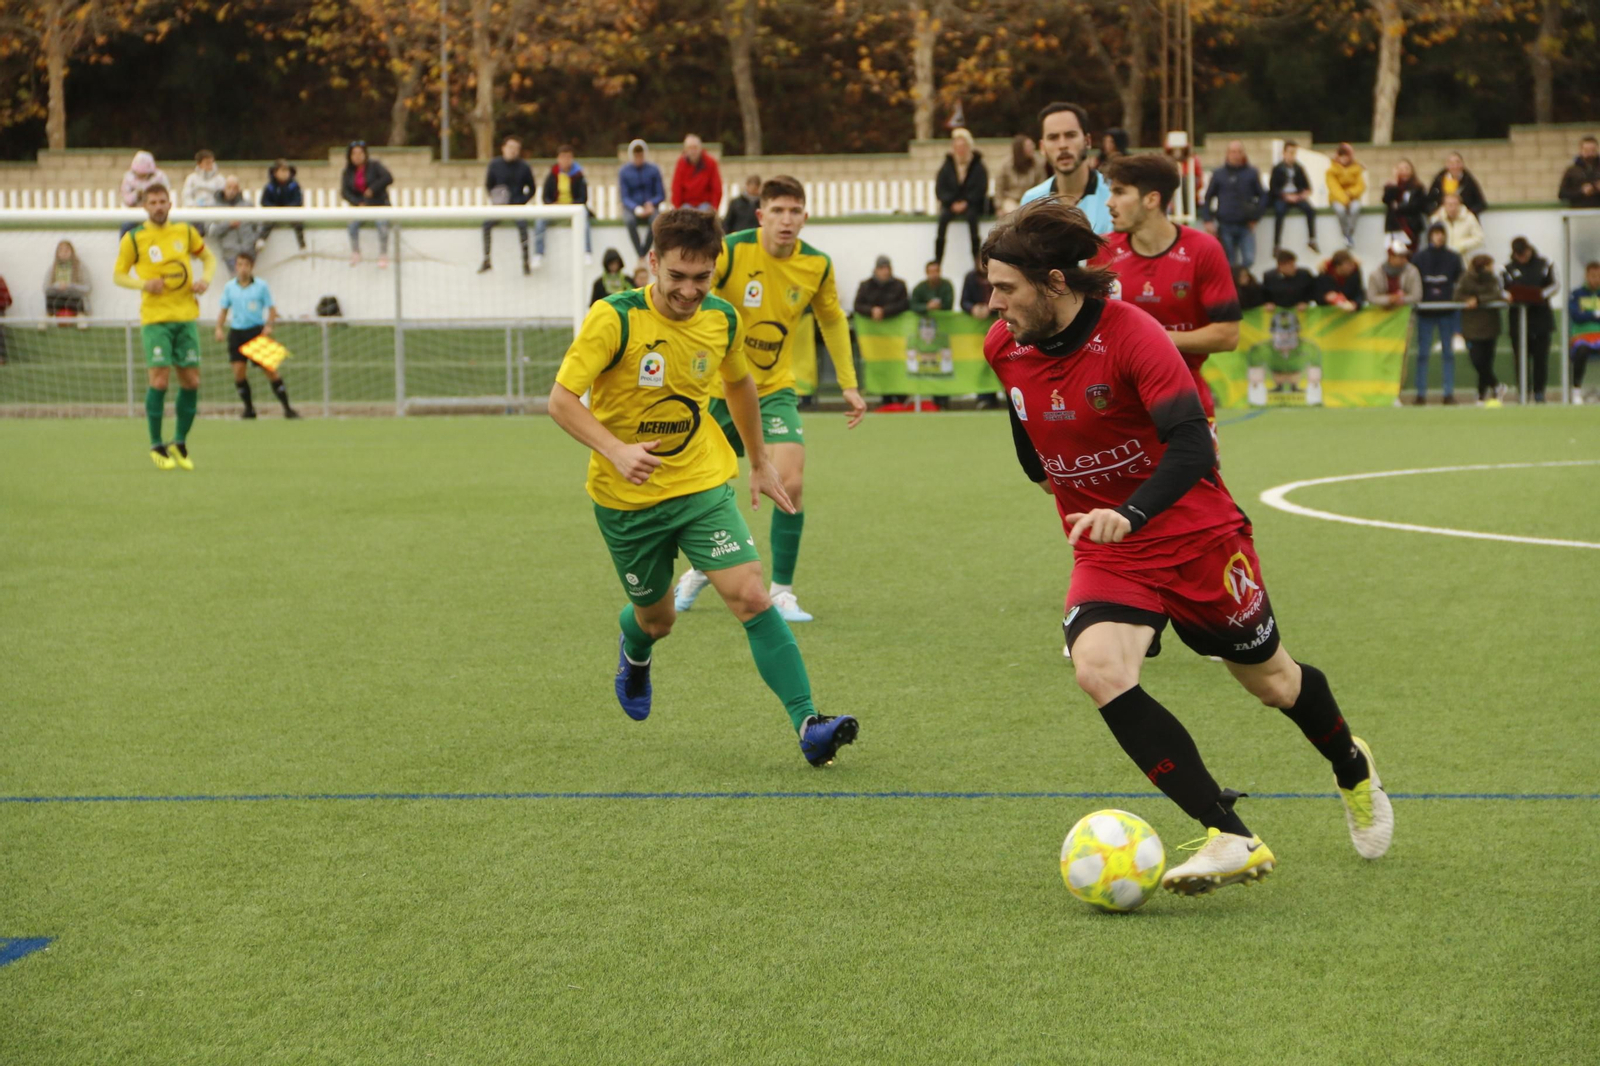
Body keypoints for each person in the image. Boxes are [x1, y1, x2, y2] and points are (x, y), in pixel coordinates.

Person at [980, 198, 1392, 896]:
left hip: (1196, 537)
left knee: (1274, 683)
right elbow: (1030, 438)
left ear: (1055, 283)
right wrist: (1071, 489)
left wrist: (1130, 510)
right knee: (1099, 670)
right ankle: (1229, 834)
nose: (994, 304)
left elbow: (1193, 445)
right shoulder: (1003, 346)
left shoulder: (1133, 334)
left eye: (1005, 288)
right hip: (1109, 552)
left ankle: (1352, 767)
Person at [546, 207, 858, 767]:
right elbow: (561, 401)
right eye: (677, 276)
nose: (690, 291)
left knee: (752, 595)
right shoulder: (613, 318)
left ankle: (810, 723)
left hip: (700, 485)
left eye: (702, 277)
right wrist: (616, 450)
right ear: (652, 263)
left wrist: (758, 461)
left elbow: (739, 383)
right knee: (657, 619)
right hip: (626, 499)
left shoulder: (721, 318)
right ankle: (635, 647)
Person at [672, 174, 867, 623]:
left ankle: (781, 591)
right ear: (761, 215)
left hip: (775, 388)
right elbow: (694, 299)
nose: (786, 219)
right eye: (777, 210)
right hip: (717, 388)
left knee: (791, 483)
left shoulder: (816, 264)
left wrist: (848, 383)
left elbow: (832, 319)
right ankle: (701, 567)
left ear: (805, 217)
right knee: (699, 489)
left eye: (794, 211)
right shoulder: (732, 250)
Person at [1098, 154, 1241, 439]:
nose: (1109, 202)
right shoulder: (1102, 252)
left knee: (1195, 470)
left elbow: (1228, 335)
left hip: (1185, 399)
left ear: (1151, 199)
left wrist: (1151, 340)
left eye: (1120, 192)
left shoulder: (1204, 249)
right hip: (1118, 405)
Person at [112, 183, 216, 470]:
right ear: (145, 206)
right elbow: (118, 275)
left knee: (191, 381)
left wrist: (205, 280)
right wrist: (144, 284)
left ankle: (179, 442)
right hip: (156, 320)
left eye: (162, 201)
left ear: (170, 204)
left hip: (186, 317)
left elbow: (208, 258)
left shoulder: (185, 232)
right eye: (153, 202)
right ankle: (156, 444)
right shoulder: (134, 238)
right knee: (159, 380)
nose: (158, 206)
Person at [215, 250, 297, 420]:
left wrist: (269, 326)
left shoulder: (261, 286)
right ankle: (249, 409)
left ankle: (287, 409)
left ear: (251, 267)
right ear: (236, 267)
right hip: (237, 333)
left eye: (246, 264)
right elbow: (223, 310)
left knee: (270, 370)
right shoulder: (230, 287)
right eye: (240, 264)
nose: (243, 268)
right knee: (239, 372)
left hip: (256, 332)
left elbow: (272, 310)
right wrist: (219, 328)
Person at [1021, 102, 1113, 234]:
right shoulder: (1032, 202)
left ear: (1087, 141)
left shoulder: (1113, 195)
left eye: (1070, 135)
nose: (1062, 145)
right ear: (1042, 147)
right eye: (1053, 138)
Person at [1411, 222, 1464, 405]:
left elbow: (1460, 281)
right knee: (1422, 354)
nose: (1439, 237)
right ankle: (1420, 394)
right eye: (1435, 233)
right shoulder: (1419, 257)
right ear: (1430, 235)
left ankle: (1448, 393)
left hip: (1447, 312)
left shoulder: (1453, 258)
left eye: (1442, 233)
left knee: (1448, 353)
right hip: (1425, 313)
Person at [1502, 236, 1558, 403]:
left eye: (1524, 253)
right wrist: (1509, 296)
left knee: (1541, 358)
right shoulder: (1507, 269)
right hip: (1518, 321)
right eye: (1518, 254)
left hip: (1541, 319)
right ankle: (1523, 392)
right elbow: (1501, 289)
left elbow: (1555, 285)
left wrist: (1539, 295)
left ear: (1529, 249)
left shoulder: (1545, 264)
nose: (1522, 257)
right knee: (1520, 359)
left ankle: (1539, 392)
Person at [854, 256, 911, 411]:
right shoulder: (865, 286)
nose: (885, 271)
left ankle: (902, 396)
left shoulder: (899, 285)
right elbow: (858, 305)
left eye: (887, 268)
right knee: (881, 367)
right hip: (875, 339)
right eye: (882, 268)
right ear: (876, 270)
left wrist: (884, 312)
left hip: (896, 337)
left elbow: (904, 304)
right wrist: (871, 311)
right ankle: (886, 398)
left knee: (897, 366)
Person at [1201, 140, 1264, 269]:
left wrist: (1256, 217)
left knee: (1249, 259)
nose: (1236, 155)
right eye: (1233, 152)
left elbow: (1263, 196)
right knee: (1228, 263)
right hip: (1225, 225)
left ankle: (1240, 279)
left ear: (1243, 154)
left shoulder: (1252, 173)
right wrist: (1207, 220)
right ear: (1227, 154)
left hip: (1246, 225)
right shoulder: (1218, 174)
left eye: (1239, 152)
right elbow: (1207, 198)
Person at [480, 135, 535, 275]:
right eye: (510, 147)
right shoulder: (495, 165)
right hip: (500, 206)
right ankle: (486, 259)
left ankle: (525, 262)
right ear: (503, 148)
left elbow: (532, 188)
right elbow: (489, 185)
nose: (513, 151)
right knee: (486, 225)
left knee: (523, 227)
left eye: (516, 148)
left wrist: (522, 200)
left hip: (517, 206)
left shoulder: (524, 167)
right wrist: (497, 199)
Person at [1455, 253, 1506, 405]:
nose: (1492, 269)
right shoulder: (1465, 279)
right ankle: (1496, 385)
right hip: (1471, 327)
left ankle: (1481, 395)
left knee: (1487, 361)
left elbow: (1497, 294)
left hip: (1490, 327)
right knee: (1476, 360)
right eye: (1490, 266)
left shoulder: (1494, 280)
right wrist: (1467, 300)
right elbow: (1456, 296)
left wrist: (1478, 300)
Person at [934, 128, 988, 266]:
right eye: (956, 146)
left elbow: (981, 188)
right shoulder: (947, 165)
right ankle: (938, 260)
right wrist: (951, 202)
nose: (960, 150)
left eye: (963, 146)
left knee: (972, 220)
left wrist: (967, 202)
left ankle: (977, 260)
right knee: (943, 220)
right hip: (950, 204)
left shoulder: (977, 165)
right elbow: (940, 188)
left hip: (972, 204)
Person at [535, 144, 593, 269]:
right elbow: (545, 197)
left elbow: (583, 198)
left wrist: (571, 205)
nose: (565, 160)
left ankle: (587, 251)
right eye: (563, 157)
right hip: (556, 208)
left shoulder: (578, 175)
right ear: (558, 158)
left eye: (568, 157)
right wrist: (553, 205)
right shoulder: (552, 174)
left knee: (585, 219)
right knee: (540, 221)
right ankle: (538, 253)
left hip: (574, 208)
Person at [341, 141, 393, 268]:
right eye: (354, 154)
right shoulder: (347, 172)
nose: (357, 156)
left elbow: (388, 178)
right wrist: (357, 202)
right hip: (361, 207)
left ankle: (383, 254)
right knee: (352, 224)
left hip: (379, 204)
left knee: (382, 224)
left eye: (360, 153)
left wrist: (372, 189)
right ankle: (356, 252)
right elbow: (344, 192)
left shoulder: (375, 166)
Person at [1268, 140, 1318, 254]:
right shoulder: (1277, 168)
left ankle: (1312, 239)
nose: (1292, 156)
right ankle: (1277, 244)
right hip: (1282, 197)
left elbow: (1307, 187)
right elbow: (1273, 188)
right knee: (1279, 212)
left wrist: (1301, 195)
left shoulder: (1299, 168)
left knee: (1310, 210)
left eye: (1294, 153)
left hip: (1296, 195)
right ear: (1284, 153)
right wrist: (1285, 196)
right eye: (1290, 152)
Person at [620, 139, 666, 258]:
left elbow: (661, 194)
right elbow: (624, 197)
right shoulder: (624, 172)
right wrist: (635, 208)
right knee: (629, 221)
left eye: (640, 155)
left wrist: (651, 203)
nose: (638, 158)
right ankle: (639, 252)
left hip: (651, 206)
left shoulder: (654, 170)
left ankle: (644, 250)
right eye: (636, 155)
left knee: (656, 221)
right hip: (632, 207)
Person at [1567, 261, 1600, 403]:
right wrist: (1595, 314)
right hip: (1581, 337)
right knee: (1581, 351)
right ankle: (1576, 390)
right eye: (1593, 276)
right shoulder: (1576, 294)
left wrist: (1586, 313)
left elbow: (1582, 315)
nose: (1596, 279)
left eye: (1599, 276)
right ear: (1586, 276)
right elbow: (1576, 316)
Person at [211, 176, 258, 277]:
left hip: (248, 252)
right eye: (229, 187)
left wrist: (253, 240)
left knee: (249, 282)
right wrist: (228, 224)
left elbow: (258, 225)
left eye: (235, 188)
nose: (232, 191)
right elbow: (212, 230)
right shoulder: (215, 208)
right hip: (231, 254)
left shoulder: (248, 205)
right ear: (224, 188)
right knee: (236, 282)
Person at [258, 159, 306, 251]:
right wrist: (274, 208)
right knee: (268, 221)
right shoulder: (270, 186)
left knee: (298, 222)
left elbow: (298, 201)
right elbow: (264, 201)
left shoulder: (294, 185)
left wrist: (289, 208)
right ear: (275, 173)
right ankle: (262, 239)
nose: (285, 173)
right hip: (274, 212)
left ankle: (302, 245)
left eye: (287, 171)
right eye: (282, 171)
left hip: (291, 212)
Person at [119, 151, 170, 236]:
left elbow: (165, 194)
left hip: (155, 211)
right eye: (139, 175)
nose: (142, 177)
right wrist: (137, 194)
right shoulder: (128, 178)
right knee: (127, 226)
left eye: (145, 175)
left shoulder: (160, 177)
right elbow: (126, 199)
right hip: (134, 212)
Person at [1325, 142, 1366, 249]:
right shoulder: (1331, 171)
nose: (1344, 159)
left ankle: (1349, 234)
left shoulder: (1357, 169)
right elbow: (1334, 188)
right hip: (1337, 199)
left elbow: (1360, 185)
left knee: (1355, 209)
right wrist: (1344, 199)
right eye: (1342, 156)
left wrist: (1351, 193)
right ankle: (1346, 234)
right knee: (1340, 210)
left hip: (1353, 198)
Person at [1366, 238, 1421, 312]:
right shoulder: (1376, 274)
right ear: (1391, 257)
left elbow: (1417, 296)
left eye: (1406, 256)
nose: (1405, 260)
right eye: (1401, 257)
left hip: (1406, 314)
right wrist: (1389, 299)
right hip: (1381, 315)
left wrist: (1402, 299)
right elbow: (1371, 297)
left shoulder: (1412, 271)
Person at [671, 134, 722, 213]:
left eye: (695, 147)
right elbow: (676, 188)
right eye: (690, 148)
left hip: (705, 204)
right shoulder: (681, 164)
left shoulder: (710, 163)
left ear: (700, 148)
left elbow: (716, 188)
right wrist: (677, 208)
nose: (693, 151)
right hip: (686, 205)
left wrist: (714, 207)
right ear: (685, 150)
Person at [994, 135, 1044, 216]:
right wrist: (999, 206)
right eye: (1028, 146)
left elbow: (1042, 185)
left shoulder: (1038, 164)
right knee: (1013, 213)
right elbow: (999, 187)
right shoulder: (1006, 165)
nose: (1033, 147)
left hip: (1031, 200)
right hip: (1011, 200)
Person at [1382, 160, 1427, 248]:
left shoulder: (1417, 187)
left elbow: (1416, 206)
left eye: (1406, 169)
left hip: (1411, 226)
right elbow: (1386, 200)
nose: (1404, 172)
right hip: (1395, 227)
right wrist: (1394, 183)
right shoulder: (1391, 186)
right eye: (1400, 169)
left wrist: (1398, 206)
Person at [1425, 152, 1487, 216]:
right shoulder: (1438, 180)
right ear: (1446, 165)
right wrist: (1434, 211)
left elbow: (1481, 204)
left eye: (1457, 162)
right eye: (1451, 163)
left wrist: (1468, 213)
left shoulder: (1469, 182)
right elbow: (1429, 201)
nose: (1455, 166)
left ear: (1462, 164)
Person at [44, 240, 91, 317]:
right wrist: (57, 286)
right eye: (61, 250)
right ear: (57, 253)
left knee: (78, 301)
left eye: (66, 250)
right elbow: (45, 288)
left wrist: (70, 286)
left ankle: (81, 319)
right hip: (57, 299)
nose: (64, 253)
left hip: (74, 299)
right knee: (50, 299)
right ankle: (46, 320)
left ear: (72, 252)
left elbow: (88, 288)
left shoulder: (80, 267)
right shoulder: (53, 268)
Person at [1430, 192, 1484, 258]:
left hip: (1461, 256)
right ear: (1444, 205)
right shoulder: (1437, 219)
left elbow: (1479, 238)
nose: (1453, 208)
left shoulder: (1469, 218)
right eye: (1450, 205)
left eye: (1455, 204)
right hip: (1440, 257)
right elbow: (1431, 238)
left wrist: (1461, 246)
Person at [1558, 136, 1600, 208]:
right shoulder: (1572, 170)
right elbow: (1562, 194)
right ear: (1580, 150)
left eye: (1592, 150)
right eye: (1586, 150)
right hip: (1578, 211)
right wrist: (1581, 191)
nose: (1590, 153)